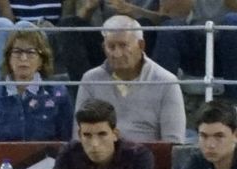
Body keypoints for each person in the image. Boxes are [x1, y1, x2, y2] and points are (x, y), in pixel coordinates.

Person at [73, 15, 185, 143]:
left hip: (149, 159)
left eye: (123, 45)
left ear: (141, 45)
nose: (117, 53)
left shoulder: (167, 82)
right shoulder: (90, 80)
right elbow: (79, 137)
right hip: (100, 159)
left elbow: (173, 143)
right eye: (111, 47)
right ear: (103, 48)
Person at [38, 98, 152, 169]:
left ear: (115, 134)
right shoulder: (69, 151)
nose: (94, 144)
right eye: (87, 135)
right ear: (79, 135)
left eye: (102, 134)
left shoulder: (138, 154)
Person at [0, 27, 72, 141]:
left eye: (30, 52)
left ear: (41, 60)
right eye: (17, 52)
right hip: (1, 158)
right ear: (8, 58)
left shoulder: (58, 94)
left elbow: (66, 144)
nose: (23, 58)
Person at [150, 0, 237, 101]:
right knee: (169, 29)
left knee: (231, 21)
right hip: (197, 44)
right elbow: (171, 14)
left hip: (228, 49)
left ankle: (234, 101)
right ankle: (159, 100)